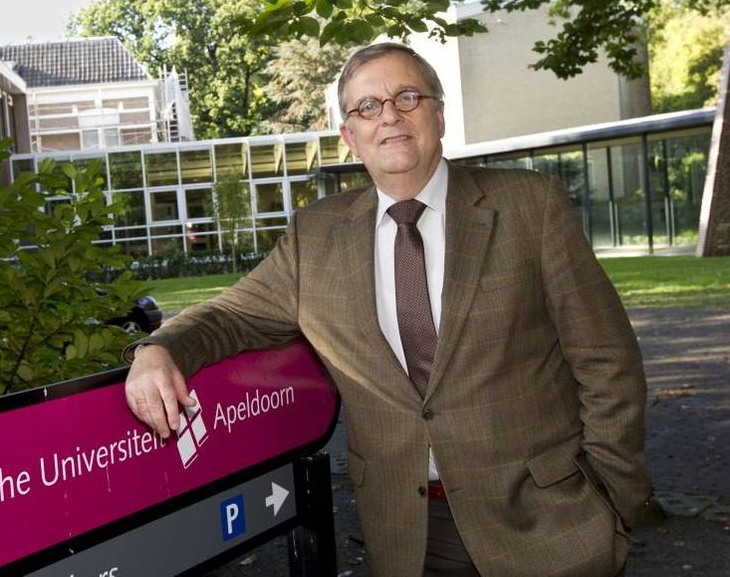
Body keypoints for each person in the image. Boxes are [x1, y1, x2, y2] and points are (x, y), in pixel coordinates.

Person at [124, 42, 652, 576]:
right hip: (409, 537)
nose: (391, 116)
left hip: (549, 524)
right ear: (350, 136)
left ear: (439, 114)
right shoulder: (316, 235)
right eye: (368, 107)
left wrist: (612, 497)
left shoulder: (530, 206)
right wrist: (158, 349)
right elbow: (230, 314)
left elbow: (607, 359)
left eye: (407, 96)